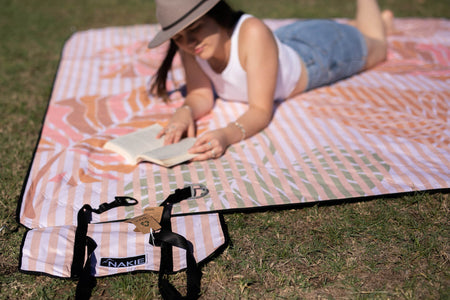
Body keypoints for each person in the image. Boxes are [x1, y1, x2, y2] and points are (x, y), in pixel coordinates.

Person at [148, 0, 393, 161]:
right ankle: (371, 24)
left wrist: (225, 135)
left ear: (219, 16)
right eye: (179, 37)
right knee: (359, 33)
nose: (189, 42)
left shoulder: (252, 33)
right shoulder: (192, 47)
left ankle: (370, 16)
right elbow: (200, 95)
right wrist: (186, 111)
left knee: (378, 47)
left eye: (196, 28)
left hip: (317, 53)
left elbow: (261, 110)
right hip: (280, 41)